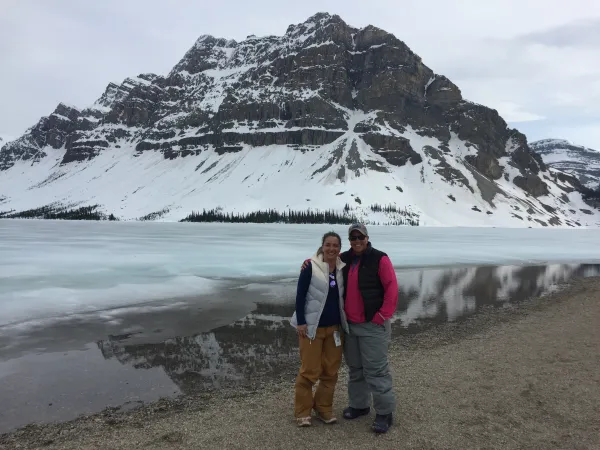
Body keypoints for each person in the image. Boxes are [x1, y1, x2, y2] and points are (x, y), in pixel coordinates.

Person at [301, 223, 398, 434]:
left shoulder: (380, 259)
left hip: (373, 325)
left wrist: (382, 316)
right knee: (356, 370)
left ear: (367, 238)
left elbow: (392, 288)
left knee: (376, 370)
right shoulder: (346, 258)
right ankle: (359, 405)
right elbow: (324, 258)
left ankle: (384, 412)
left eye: (360, 237)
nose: (357, 241)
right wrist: (309, 263)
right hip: (350, 326)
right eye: (353, 238)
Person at [290, 231, 349, 427]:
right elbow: (300, 295)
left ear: (340, 249)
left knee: (331, 372)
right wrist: (300, 322)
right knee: (309, 371)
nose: (332, 248)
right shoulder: (311, 267)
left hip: (334, 329)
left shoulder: (342, 268)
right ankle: (303, 411)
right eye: (328, 244)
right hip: (311, 328)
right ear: (322, 246)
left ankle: (323, 408)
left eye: (335, 245)